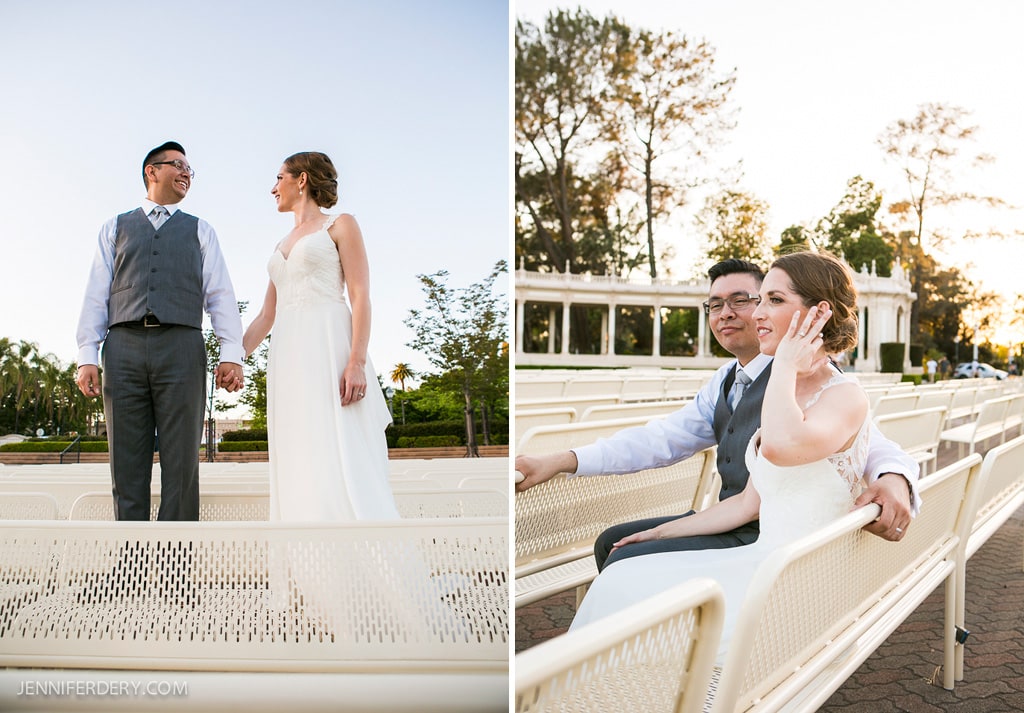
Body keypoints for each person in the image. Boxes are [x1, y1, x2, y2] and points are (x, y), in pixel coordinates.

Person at [516, 258, 919, 572]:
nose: (726, 312)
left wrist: (895, 479)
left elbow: (874, 444)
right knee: (612, 541)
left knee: (626, 559)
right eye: (714, 304)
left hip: (770, 535)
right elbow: (661, 439)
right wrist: (562, 461)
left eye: (746, 300)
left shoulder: (819, 382)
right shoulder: (726, 380)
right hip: (734, 513)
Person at [568, 251, 876, 660]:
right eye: (761, 300)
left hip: (796, 571)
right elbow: (747, 502)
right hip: (763, 545)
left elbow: (785, 448)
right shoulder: (751, 382)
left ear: (818, 313)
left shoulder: (841, 392)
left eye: (774, 301)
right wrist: (657, 533)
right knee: (623, 552)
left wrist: (782, 363)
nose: (758, 313)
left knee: (625, 576)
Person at [76, 141, 244, 521]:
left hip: (183, 345)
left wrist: (231, 352)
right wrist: (87, 353)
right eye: (178, 165)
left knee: (182, 463)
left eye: (190, 170)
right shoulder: (114, 227)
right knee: (126, 464)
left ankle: (176, 575)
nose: (187, 173)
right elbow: (96, 293)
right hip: (123, 347)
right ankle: (131, 573)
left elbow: (220, 292)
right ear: (151, 171)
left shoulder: (201, 230)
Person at [243, 151, 398, 521]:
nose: (272, 188)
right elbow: (267, 315)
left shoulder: (340, 225)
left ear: (302, 180)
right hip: (288, 352)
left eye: (279, 177)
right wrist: (234, 355)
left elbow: (360, 295)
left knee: (339, 445)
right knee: (299, 448)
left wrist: (356, 362)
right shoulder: (281, 244)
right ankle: (306, 561)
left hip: (329, 342)